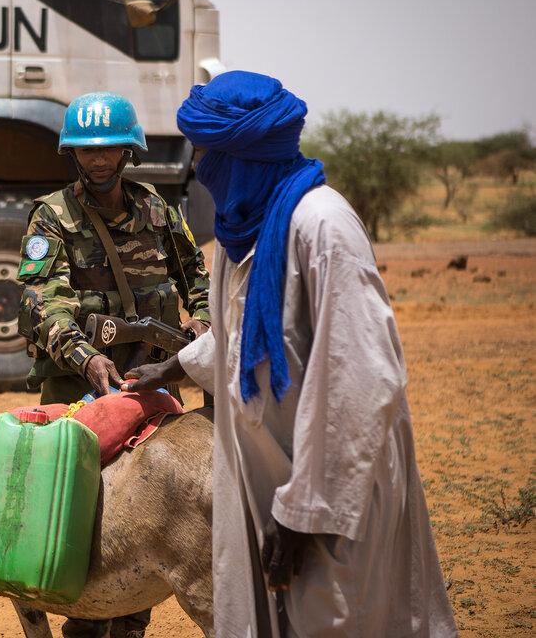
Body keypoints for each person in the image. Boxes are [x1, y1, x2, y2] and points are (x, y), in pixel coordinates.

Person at [124, 71, 457, 637]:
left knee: (340, 619)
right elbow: (243, 333)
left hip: (333, 491)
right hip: (269, 477)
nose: (197, 167)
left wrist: (307, 511)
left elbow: (361, 378)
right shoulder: (241, 231)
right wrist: (175, 364)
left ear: (242, 156)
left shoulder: (322, 225)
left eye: (204, 152)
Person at [16, 91, 210, 638]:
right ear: (71, 154)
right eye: (87, 151)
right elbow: (39, 302)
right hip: (75, 383)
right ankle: (82, 619)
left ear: (129, 152)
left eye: (108, 150)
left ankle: (129, 619)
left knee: (149, 508)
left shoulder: (156, 209)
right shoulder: (51, 216)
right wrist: (86, 356)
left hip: (153, 381)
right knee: (78, 511)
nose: (98, 160)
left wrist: (200, 324)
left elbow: (197, 275)